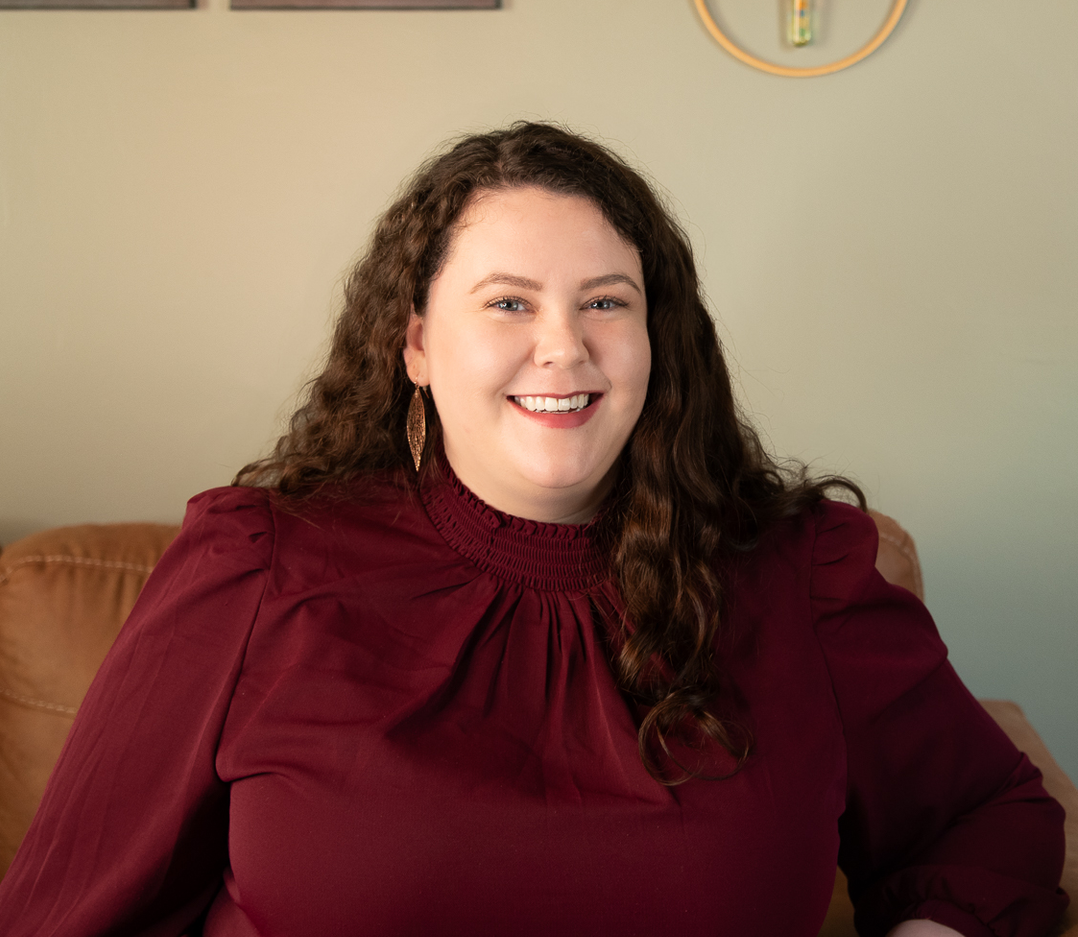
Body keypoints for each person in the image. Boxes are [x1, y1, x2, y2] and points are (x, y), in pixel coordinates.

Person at [0, 123, 1067, 937]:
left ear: (659, 339)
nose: (563, 349)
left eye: (605, 302)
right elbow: (69, 909)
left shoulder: (802, 577)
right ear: (415, 342)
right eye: (507, 304)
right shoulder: (258, 567)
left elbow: (989, 818)